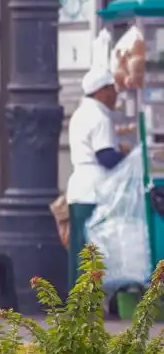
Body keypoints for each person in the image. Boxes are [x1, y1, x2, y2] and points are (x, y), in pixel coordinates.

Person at [66, 65, 127, 277]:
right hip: (94, 190)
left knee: (79, 250)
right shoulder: (100, 118)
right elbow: (106, 157)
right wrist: (130, 158)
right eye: (112, 88)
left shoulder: (80, 114)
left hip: (79, 189)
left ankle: (77, 294)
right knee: (93, 252)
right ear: (102, 91)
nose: (116, 94)